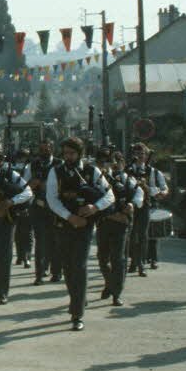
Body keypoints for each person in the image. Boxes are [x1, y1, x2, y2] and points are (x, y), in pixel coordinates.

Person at [47, 137, 115, 331]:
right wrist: (69, 217)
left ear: (80, 154)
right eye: (66, 153)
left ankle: (77, 313)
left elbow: (109, 195)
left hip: (85, 225)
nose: (68, 157)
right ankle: (78, 298)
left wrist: (94, 207)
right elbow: (52, 200)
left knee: (80, 265)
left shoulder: (91, 171)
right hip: (64, 224)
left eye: (72, 153)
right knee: (68, 267)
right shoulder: (56, 172)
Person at [0, 148, 32, 305]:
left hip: (6, 220)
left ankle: (3, 291)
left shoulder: (11, 175)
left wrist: (11, 202)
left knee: (4, 256)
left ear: (2, 160)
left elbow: (28, 192)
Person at [95, 150, 142, 307]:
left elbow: (138, 195)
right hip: (104, 223)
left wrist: (132, 205)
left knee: (119, 259)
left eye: (117, 162)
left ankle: (116, 293)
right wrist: (110, 215)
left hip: (121, 225)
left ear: (123, 163)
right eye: (110, 162)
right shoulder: (100, 180)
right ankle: (110, 284)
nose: (114, 165)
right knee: (102, 258)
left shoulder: (129, 180)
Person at [127, 143, 170, 274]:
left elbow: (164, 188)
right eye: (137, 154)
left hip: (147, 205)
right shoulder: (128, 170)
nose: (140, 157)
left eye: (142, 154)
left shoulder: (154, 172)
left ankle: (142, 262)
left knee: (144, 234)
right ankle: (134, 260)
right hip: (131, 206)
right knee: (132, 234)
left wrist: (155, 191)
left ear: (146, 156)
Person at [24, 140, 61, 285]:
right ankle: (39, 274)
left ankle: (56, 272)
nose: (45, 152)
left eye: (48, 149)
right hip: (39, 206)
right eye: (42, 149)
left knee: (56, 240)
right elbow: (24, 184)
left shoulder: (59, 164)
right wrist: (33, 184)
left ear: (52, 149)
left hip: (55, 208)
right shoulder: (33, 165)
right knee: (40, 241)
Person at [12, 147, 33, 266]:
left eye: (23, 157)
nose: (21, 160)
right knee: (19, 231)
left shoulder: (29, 168)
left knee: (27, 231)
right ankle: (21, 256)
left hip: (27, 200)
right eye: (20, 157)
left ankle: (27, 256)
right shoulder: (12, 169)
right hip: (16, 201)